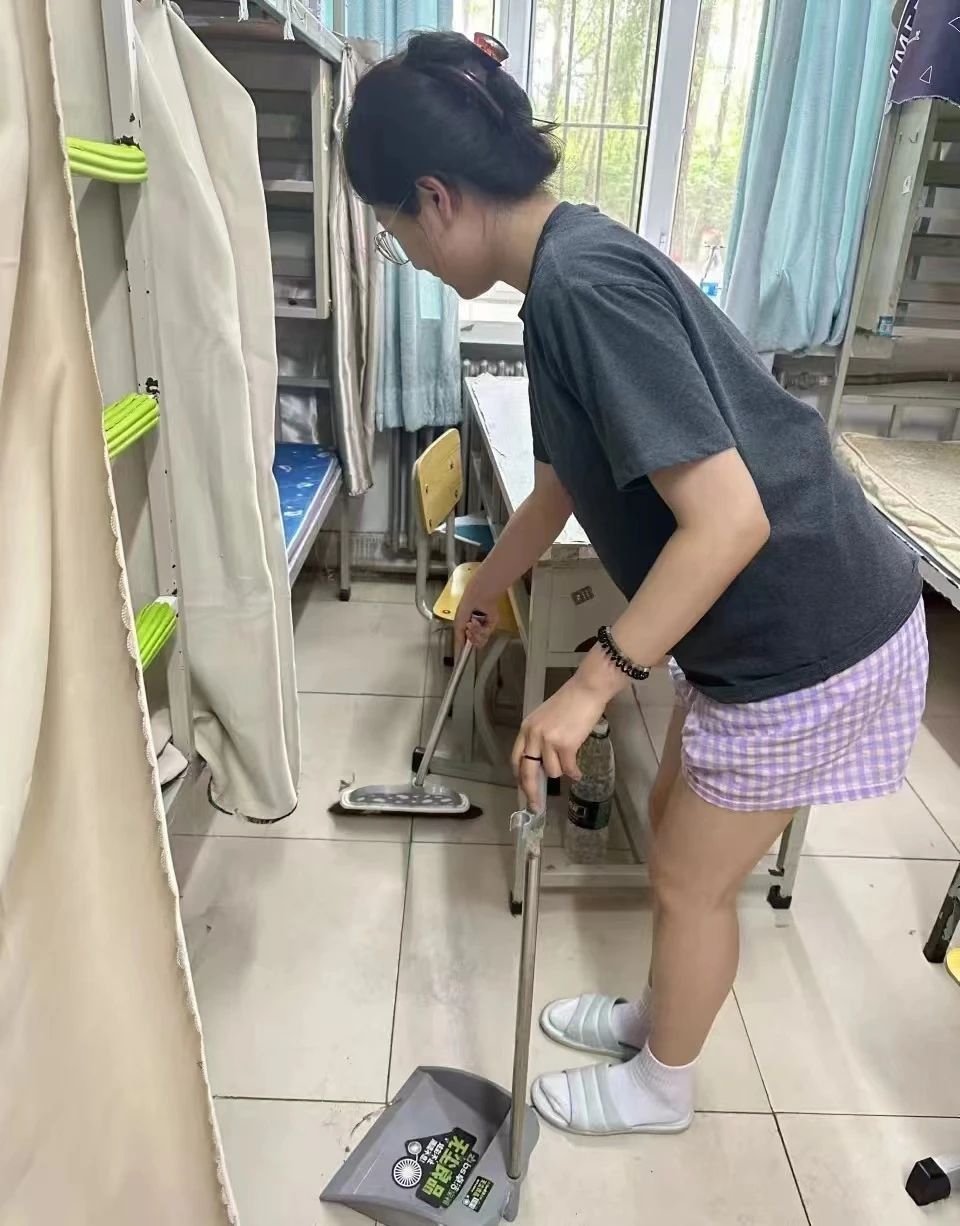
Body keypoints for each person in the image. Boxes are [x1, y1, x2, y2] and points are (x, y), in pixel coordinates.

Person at [343, 30, 929, 1138]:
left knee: (690, 882)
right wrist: (489, 582)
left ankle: (664, 1084)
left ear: (436, 197)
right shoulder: (561, 272)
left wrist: (590, 683)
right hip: (762, 625)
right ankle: (659, 1018)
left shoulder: (581, 287)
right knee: (671, 826)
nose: (404, 253)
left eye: (392, 230)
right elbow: (562, 480)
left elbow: (730, 520)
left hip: (810, 629)